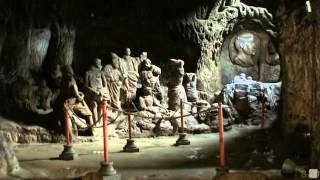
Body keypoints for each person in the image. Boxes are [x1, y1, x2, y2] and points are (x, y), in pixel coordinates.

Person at [60, 65, 94, 136]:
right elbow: (77, 96)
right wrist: (82, 97)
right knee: (89, 113)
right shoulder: (72, 81)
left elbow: (69, 92)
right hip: (73, 103)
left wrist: (79, 93)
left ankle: (78, 130)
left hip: (66, 102)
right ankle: (90, 131)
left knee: (71, 116)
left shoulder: (62, 81)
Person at [84, 58, 109, 124]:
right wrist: (94, 91)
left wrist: (103, 90)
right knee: (94, 105)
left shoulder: (101, 72)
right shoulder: (88, 73)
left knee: (102, 104)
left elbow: (105, 84)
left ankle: (100, 122)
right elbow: (86, 86)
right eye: (98, 62)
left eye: (100, 62)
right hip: (92, 94)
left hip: (100, 93)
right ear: (94, 63)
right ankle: (96, 123)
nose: (100, 64)